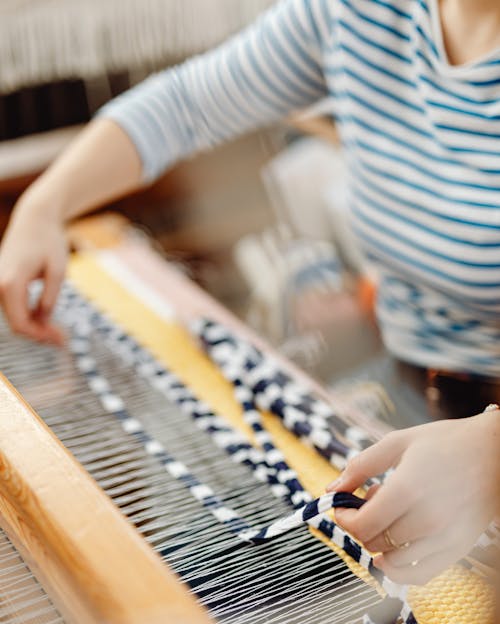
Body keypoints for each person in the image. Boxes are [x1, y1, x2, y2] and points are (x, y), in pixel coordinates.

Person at [0, 0, 499, 585]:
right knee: (167, 581)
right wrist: (42, 207)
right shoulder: (362, 11)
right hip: (410, 400)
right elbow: (184, 105)